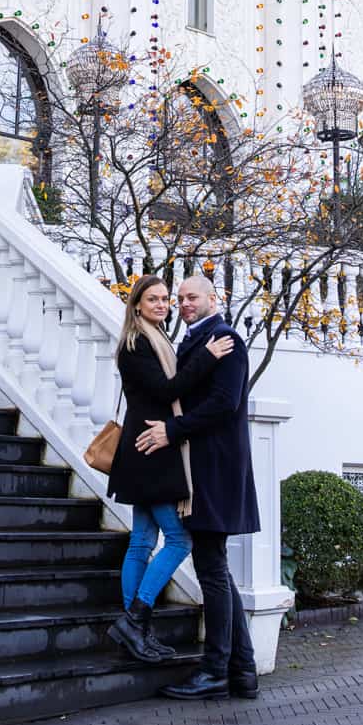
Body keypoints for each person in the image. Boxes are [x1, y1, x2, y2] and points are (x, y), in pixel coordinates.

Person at [135, 271, 260, 699]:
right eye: (181, 298)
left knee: (211, 570)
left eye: (193, 297)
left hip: (214, 470)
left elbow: (225, 403)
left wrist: (173, 430)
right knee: (215, 567)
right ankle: (242, 671)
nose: (185, 304)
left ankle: (215, 671)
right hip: (202, 469)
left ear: (213, 298)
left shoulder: (225, 338)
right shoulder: (197, 340)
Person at [106, 273, 234, 663]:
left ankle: (135, 632)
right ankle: (136, 619)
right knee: (178, 540)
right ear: (137, 306)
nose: (162, 305)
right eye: (153, 299)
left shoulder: (156, 338)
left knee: (143, 540)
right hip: (150, 450)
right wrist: (207, 358)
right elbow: (167, 390)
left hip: (147, 448)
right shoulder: (136, 344)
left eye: (166, 299)